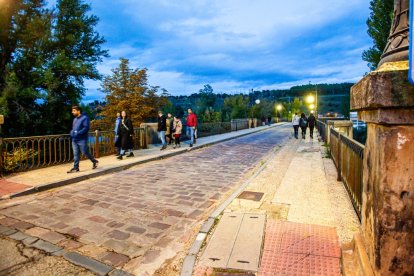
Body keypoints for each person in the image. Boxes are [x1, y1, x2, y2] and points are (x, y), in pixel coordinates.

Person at [67, 106, 98, 173]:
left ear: (78, 111)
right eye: (72, 111)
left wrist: (78, 133)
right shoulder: (74, 119)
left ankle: (94, 161)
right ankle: (76, 168)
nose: (72, 112)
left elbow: (86, 128)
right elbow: (73, 128)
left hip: (82, 139)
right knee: (76, 154)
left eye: (74, 111)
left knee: (85, 152)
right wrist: (72, 132)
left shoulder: (85, 118)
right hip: (74, 139)